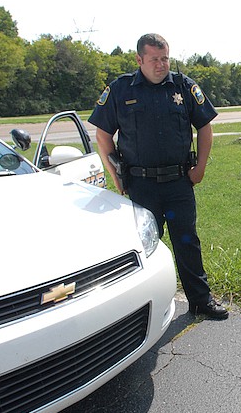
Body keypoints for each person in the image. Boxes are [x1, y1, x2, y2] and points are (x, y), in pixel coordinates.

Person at [89, 33, 228, 320]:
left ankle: (201, 301)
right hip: (141, 185)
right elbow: (103, 134)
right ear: (139, 59)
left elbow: (205, 126)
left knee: (187, 241)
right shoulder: (120, 89)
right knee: (141, 247)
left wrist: (200, 167)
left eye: (165, 58)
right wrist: (116, 175)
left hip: (179, 182)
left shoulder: (183, 86)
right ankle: (139, 308)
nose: (161, 65)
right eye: (154, 59)